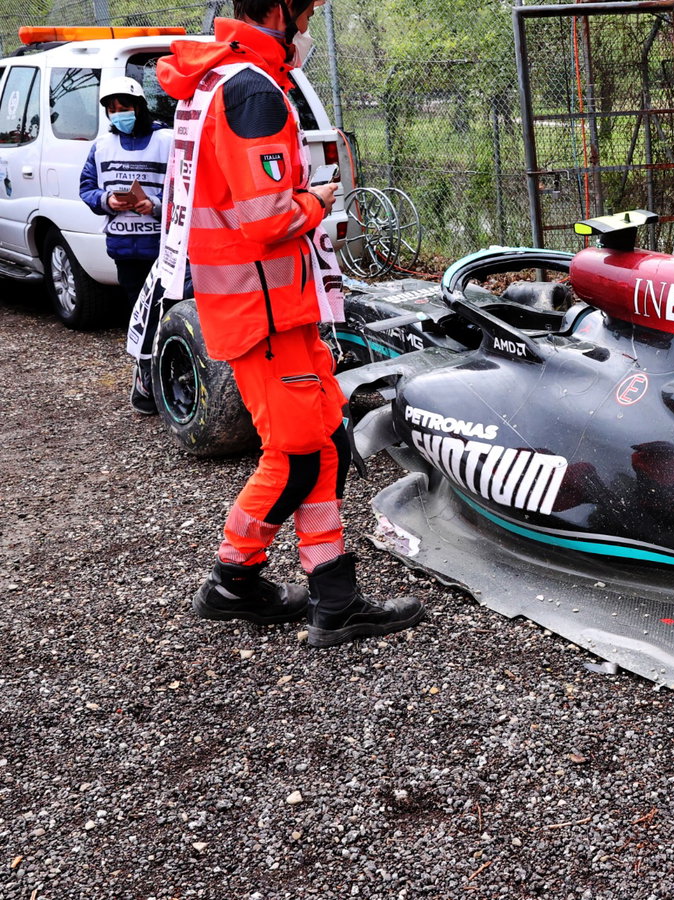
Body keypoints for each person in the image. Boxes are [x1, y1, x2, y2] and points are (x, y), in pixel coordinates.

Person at [156, 0, 422, 646]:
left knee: (323, 441)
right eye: (305, 15)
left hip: (267, 307)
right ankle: (234, 582)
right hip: (264, 311)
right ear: (279, 10)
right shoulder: (252, 90)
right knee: (299, 456)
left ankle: (334, 595)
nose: (307, 29)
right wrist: (316, 199)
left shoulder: (223, 77)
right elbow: (267, 217)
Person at [78, 75, 173, 415]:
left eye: (125, 107)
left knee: (169, 314)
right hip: (124, 248)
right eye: (113, 109)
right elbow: (87, 187)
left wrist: (156, 205)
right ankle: (147, 381)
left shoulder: (167, 139)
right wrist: (106, 199)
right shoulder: (102, 146)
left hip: (164, 248)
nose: (119, 114)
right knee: (138, 315)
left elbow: (186, 187)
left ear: (140, 107)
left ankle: (170, 377)